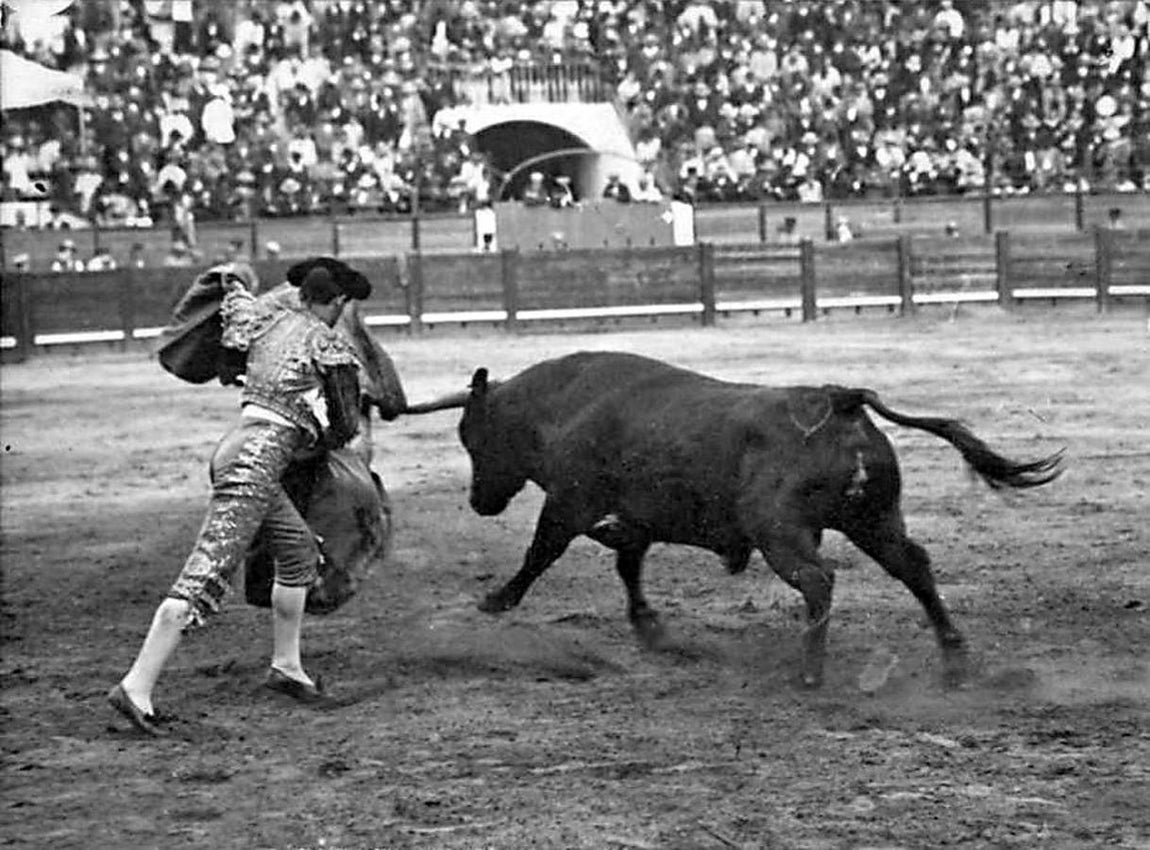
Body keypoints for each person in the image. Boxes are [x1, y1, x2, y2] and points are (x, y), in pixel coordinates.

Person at [108, 260, 372, 735]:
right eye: (342, 306)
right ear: (336, 303)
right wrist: (318, 436)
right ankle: (135, 686)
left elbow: (232, 333)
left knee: (297, 553)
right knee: (207, 572)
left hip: (238, 448)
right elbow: (347, 425)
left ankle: (286, 667)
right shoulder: (328, 343)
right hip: (255, 462)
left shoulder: (264, 320)